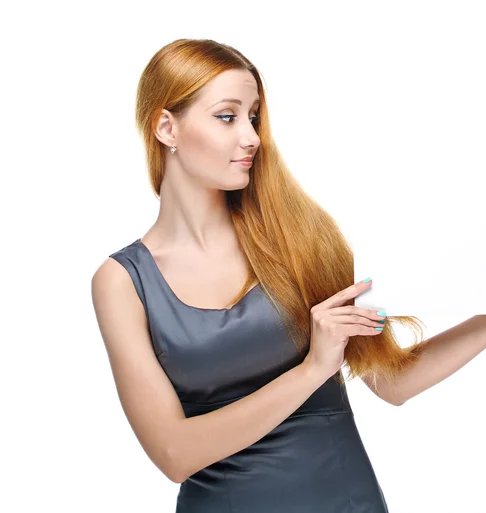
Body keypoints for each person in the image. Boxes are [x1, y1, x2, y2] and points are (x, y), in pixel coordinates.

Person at [90, 38, 437, 512]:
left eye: (253, 116)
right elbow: (174, 455)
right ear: (167, 128)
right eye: (227, 116)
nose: (252, 136)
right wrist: (313, 368)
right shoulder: (122, 282)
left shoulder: (302, 238)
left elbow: (392, 382)